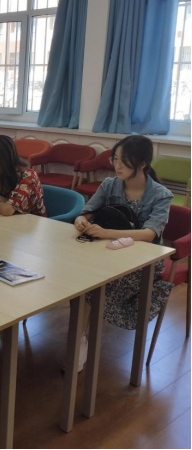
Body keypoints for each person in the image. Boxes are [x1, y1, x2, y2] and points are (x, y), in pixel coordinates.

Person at [73, 135, 174, 371]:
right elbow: (88, 210)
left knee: (92, 285)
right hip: (107, 252)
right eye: (115, 159)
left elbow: (149, 234)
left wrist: (106, 233)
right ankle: (79, 339)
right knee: (79, 280)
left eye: (124, 161)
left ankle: (81, 339)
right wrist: (80, 219)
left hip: (144, 261)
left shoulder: (161, 195)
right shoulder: (110, 185)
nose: (117, 166)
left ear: (142, 164)